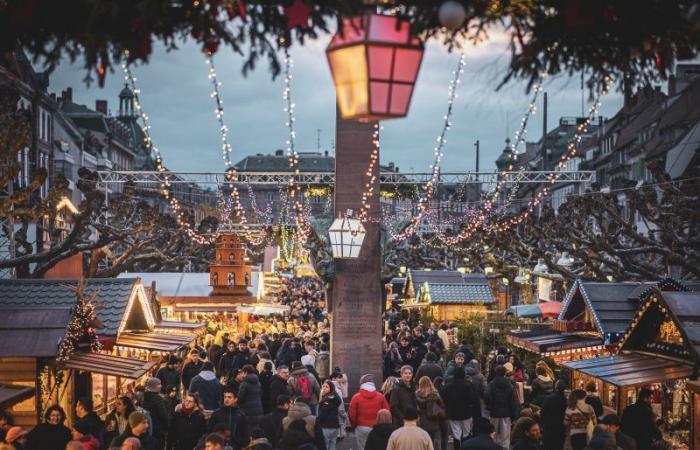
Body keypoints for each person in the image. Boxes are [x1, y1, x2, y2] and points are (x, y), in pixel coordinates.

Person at [348, 374, 390, 450]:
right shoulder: (381, 397)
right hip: (377, 428)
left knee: (362, 447)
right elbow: (387, 412)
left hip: (361, 427)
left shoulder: (356, 397)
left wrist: (354, 425)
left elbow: (352, 414)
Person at [442, 367, 480, 450]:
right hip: (466, 413)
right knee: (466, 433)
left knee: (456, 433)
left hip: (453, 413)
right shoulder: (468, 385)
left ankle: (457, 448)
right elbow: (473, 399)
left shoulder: (449, 386)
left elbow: (444, 399)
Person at [484, 365, 518, 449]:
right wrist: (514, 415)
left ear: (496, 372)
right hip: (506, 412)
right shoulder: (509, 384)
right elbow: (513, 401)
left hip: (494, 412)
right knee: (505, 435)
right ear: (505, 373)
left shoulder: (492, 383)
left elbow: (486, 395)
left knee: (493, 433)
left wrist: (490, 405)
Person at [415, 376, 446, 450]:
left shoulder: (417, 394)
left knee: (423, 443)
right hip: (434, 421)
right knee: (435, 443)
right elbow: (442, 405)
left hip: (422, 421)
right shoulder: (435, 393)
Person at [141, 377, 170, 450]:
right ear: (154, 386)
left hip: (147, 429)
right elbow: (164, 416)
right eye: (159, 384)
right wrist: (167, 427)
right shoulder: (158, 400)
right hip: (158, 431)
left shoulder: (144, 397)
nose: (161, 386)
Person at [540, 380, 567, 450]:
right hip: (561, 429)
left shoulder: (548, 398)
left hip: (549, 428)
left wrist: (544, 423)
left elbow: (542, 412)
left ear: (556, 387)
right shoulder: (566, 400)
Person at [317, 381, 340, 450]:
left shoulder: (328, 401)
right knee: (332, 444)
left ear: (331, 388)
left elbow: (322, 414)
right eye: (323, 386)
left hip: (327, 426)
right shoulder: (335, 398)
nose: (324, 388)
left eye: (326, 387)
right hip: (335, 426)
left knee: (325, 445)